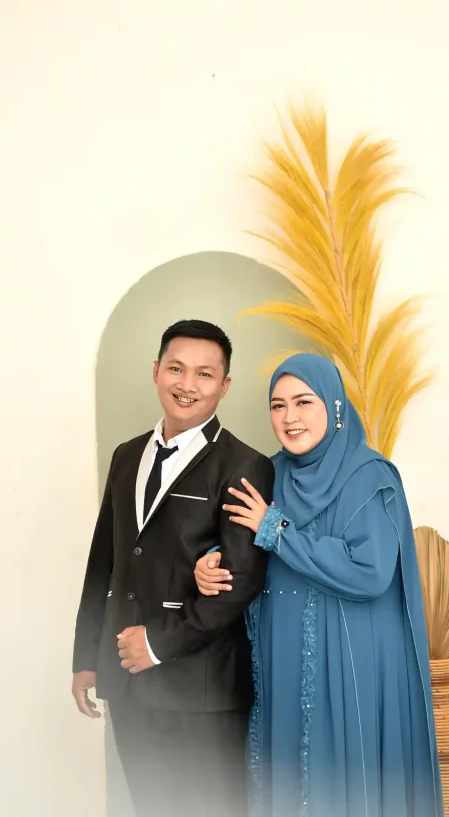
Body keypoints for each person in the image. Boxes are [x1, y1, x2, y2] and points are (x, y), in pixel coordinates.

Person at [195, 353, 443, 817]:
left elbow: (370, 572)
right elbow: (240, 542)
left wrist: (277, 531)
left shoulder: (369, 476)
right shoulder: (267, 473)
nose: (289, 417)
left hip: (349, 658)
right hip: (281, 657)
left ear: (335, 406)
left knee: (342, 779)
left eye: (303, 402)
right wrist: (209, 564)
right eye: (278, 405)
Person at [72, 319, 274, 817]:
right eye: (176, 368)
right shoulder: (126, 456)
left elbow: (240, 583)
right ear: (156, 371)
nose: (188, 384)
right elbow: (103, 563)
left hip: (202, 691)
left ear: (224, 385)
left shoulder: (244, 465)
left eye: (205, 374)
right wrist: (86, 655)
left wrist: (158, 645)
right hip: (126, 680)